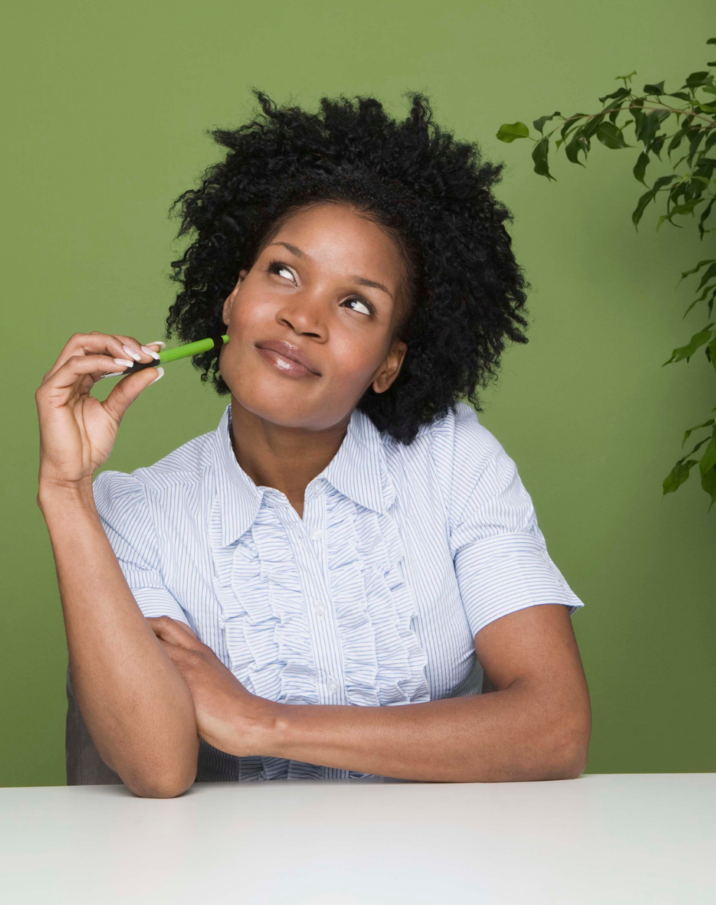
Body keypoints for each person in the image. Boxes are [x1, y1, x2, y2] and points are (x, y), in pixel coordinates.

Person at [35, 90, 590, 798]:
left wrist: (267, 723)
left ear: (390, 362)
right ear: (232, 300)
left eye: (356, 303)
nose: (302, 316)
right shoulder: (136, 509)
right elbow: (158, 765)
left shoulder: (456, 462)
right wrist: (65, 490)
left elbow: (556, 728)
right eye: (284, 272)